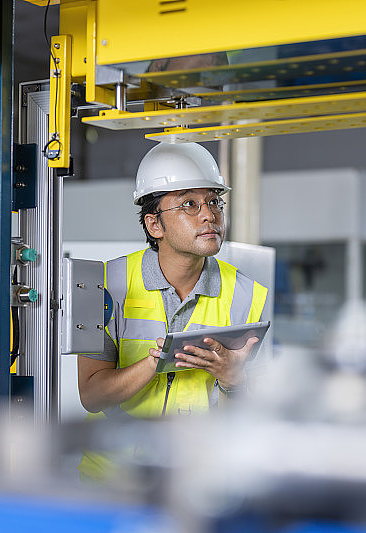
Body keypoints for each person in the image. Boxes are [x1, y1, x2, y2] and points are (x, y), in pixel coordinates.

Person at [77, 142, 267, 477]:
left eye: (213, 202)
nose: (209, 214)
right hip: (111, 480)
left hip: (194, 479)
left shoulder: (248, 295)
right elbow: (92, 395)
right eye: (189, 205)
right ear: (154, 226)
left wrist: (233, 379)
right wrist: (154, 363)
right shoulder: (103, 284)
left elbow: (259, 417)